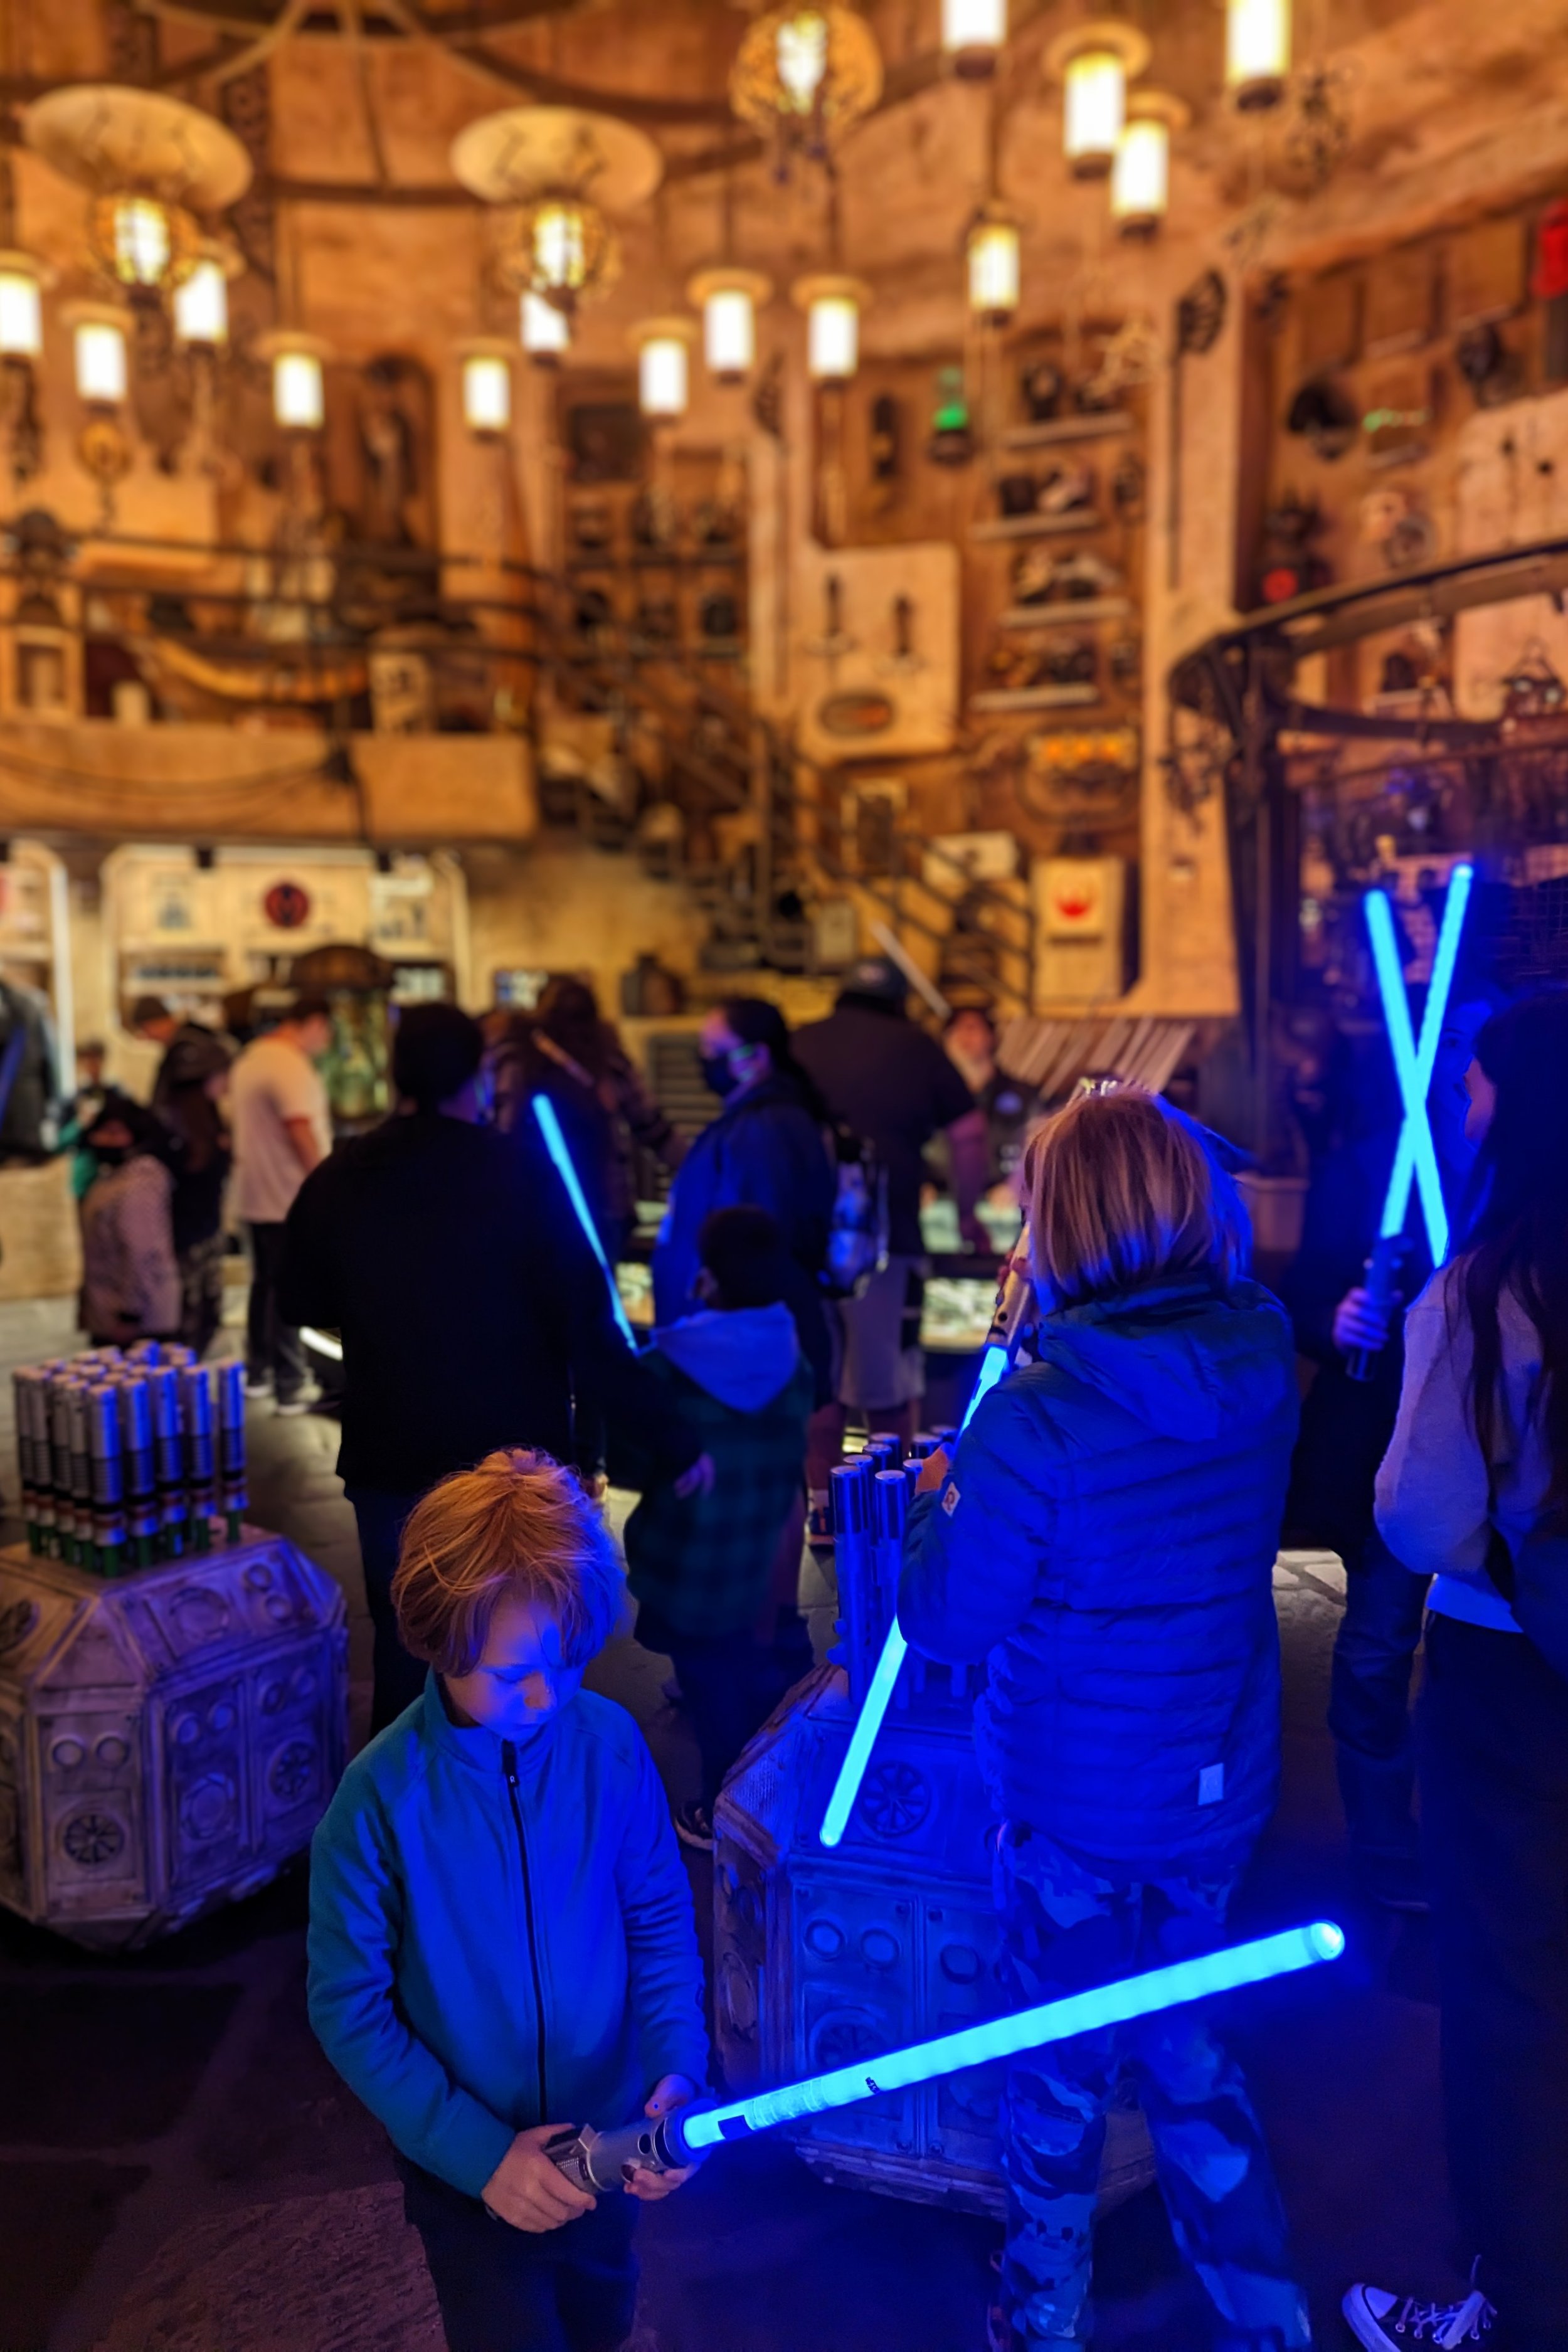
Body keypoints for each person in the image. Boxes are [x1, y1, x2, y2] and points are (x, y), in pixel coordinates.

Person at [899, 1088, 1308, 2352]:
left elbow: (946, 1620)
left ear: (1062, 1225)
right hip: (1215, 1778)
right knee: (1192, 2057)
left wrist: (938, 1496)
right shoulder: (1262, 1355)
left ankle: (1042, 2320)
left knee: (1059, 2079)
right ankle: (1267, 2318)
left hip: (1074, 1806)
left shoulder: (1033, 1417)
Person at [307, 1449, 708, 2352]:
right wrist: (478, 2154)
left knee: (604, 2317)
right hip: (465, 2167)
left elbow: (657, 1922)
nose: (544, 1695)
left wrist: (675, 2067)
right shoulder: (377, 1803)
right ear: (438, 1640)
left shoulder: (611, 1747)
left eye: (569, 1661)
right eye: (507, 1672)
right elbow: (347, 2006)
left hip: (612, 2136)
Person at [280, 1002, 708, 1734]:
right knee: (520, 1653)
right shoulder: (520, 1172)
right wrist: (670, 1437)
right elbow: (587, 1322)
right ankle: (515, 1797)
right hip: (509, 1465)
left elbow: (299, 1300)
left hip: (393, 1450)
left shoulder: (342, 1175)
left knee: (408, 1646)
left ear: (396, 1076)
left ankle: (409, 1798)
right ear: (476, 1076)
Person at [1343, 994, 1568, 2352]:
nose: (1460, 1108)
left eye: (1473, 1086)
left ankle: (1514, 2305)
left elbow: (1419, 1517)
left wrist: (1503, 1542)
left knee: (1508, 1994)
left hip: (1509, 1680)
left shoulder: (1487, 1290)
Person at [1283, 988, 1499, 1909]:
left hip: (1491, 1457)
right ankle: (1384, 1854)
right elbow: (1299, 1294)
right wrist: (1335, 1318)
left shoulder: (1522, 1169)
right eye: (1448, 1042)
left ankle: (1470, 1845)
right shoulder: (1369, 1166)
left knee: (1478, 1660)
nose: (1461, 1065)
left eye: (1475, 1045)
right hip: (1387, 1450)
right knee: (1375, 1651)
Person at [615, 1204, 815, 1851]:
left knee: (711, 1693)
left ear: (708, 1274)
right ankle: (758, 1787)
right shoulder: (792, 1359)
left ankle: (723, 1812)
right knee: (737, 1678)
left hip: (686, 1566)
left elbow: (628, 1462)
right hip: (756, 1558)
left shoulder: (664, 1366)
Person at [795, 955, 989, 1451]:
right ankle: (890, 1500)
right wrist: (968, 1217)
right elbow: (969, 1134)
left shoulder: (800, 1043)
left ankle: (822, 1501)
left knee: (819, 1397)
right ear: (900, 1001)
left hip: (802, 1248)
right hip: (887, 1246)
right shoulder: (918, 1048)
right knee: (888, 1398)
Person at [651, 997, 835, 1402]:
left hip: (740, 1360)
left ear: (757, 1057)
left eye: (714, 1050)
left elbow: (754, 1243)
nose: (704, 1060)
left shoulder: (764, 1129)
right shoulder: (753, 1121)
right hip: (728, 1349)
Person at [501, 976, 684, 1263]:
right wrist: (700, 1170)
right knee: (596, 1284)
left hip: (533, 1203)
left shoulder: (514, 1059)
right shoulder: (608, 1060)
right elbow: (652, 1128)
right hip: (601, 1204)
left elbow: (498, 1128)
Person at [229, 993, 333, 1414]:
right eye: (328, 1032)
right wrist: (328, 1184)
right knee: (288, 1287)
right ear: (314, 1023)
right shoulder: (289, 1064)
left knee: (264, 1285)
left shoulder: (251, 1058)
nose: (327, 1042)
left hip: (256, 1194)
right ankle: (290, 1386)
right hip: (287, 1196)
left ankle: (258, 1373)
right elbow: (300, 1128)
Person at [78, 1091, 182, 1347]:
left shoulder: (138, 1184)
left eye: (115, 1133)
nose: (103, 1140)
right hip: (113, 1312)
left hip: (138, 1320)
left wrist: (130, 1314)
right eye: (102, 1132)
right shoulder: (114, 1178)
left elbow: (140, 1251)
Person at [943, 1002, 1041, 1195]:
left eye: (972, 1028)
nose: (963, 1036)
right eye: (954, 1030)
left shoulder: (1023, 1095)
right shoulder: (930, 1097)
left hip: (1004, 1202)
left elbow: (1039, 1147)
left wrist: (1017, 1183)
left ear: (991, 1037)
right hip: (941, 1202)